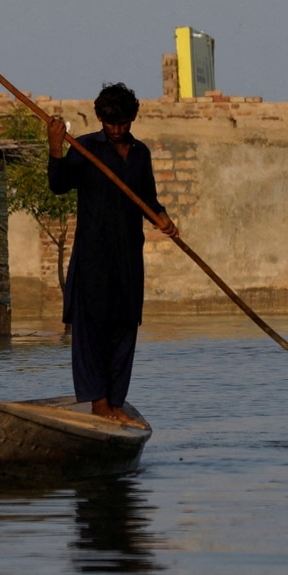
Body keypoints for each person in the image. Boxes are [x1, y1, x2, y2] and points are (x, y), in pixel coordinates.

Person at [47, 83, 178, 428]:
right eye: (111, 123)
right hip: (94, 256)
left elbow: (147, 198)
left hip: (128, 256)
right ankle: (99, 403)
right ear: (101, 119)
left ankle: (116, 401)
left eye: (123, 123)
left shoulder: (140, 153)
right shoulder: (86, 148)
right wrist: (55, 145)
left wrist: (162, 218)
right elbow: (59, 185)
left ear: (133, 118)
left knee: (124, 324)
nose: (117, 130)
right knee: (92, 329)